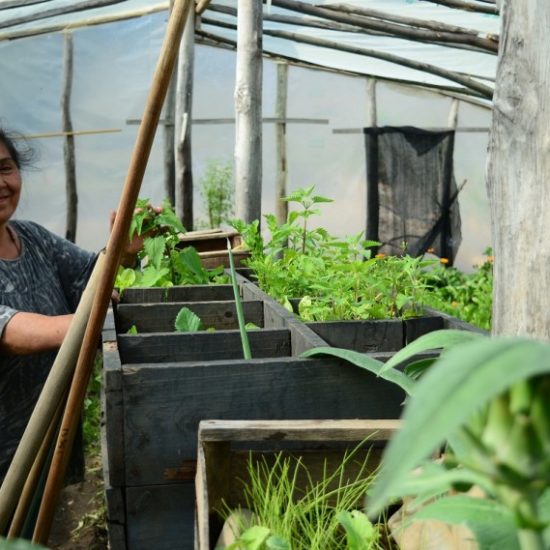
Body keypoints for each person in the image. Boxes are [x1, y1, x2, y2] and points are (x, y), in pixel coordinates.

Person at [0, 128, 139, 482]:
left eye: (5, 168)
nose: (1, 182)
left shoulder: (32, 238)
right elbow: (11, 331)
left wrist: (123, 249)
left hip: (46, 445)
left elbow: (95, 278)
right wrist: (88, 322)